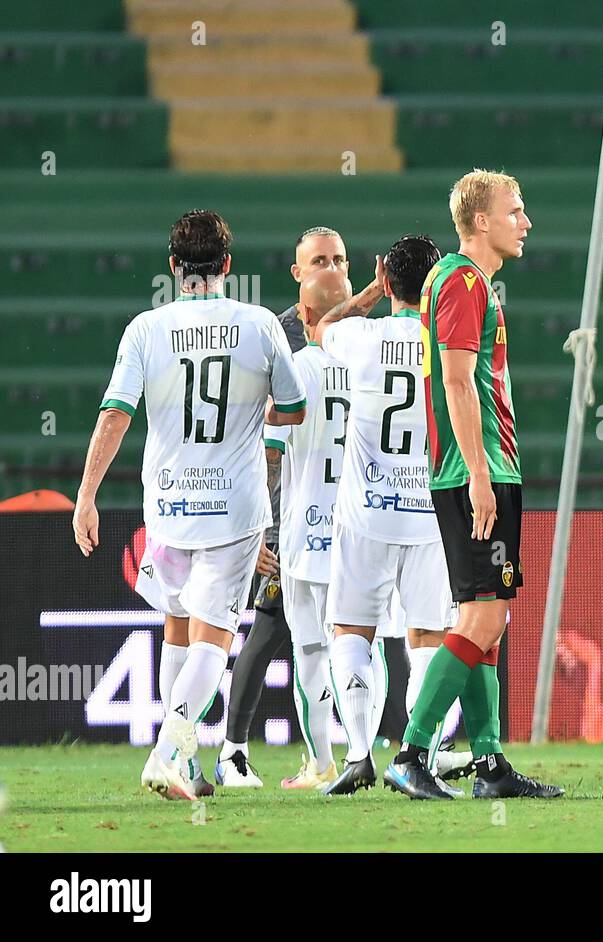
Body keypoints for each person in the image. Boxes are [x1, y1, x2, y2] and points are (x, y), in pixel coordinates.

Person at [74, 209, 305, 801]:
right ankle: (170, 751)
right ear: (227, 265)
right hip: (235, 507)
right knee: (213, 637)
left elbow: (115, 414)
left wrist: (87, 497)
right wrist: (250, 415)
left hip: (169, 508)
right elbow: (295, 409)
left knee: (176, 626)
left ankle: (188, 765)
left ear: (174, 267)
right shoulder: (258, 325)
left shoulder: (146, 329)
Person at [396, 170, 563, 800]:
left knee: (484, 619)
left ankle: (489, 761)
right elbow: (458, 381)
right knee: (485, 615)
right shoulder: (464, 282)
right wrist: (480, 473)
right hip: (478, 471)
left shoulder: (463, 282)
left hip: (480, 469)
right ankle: (413, 751)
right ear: (483, 221)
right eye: (516, 211)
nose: (526, 222)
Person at [312, 235, 465, 797]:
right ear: (433, 284)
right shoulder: (445, 341)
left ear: (386, 278)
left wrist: (369, 292)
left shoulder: (362, 336)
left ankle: (357, 754)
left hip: (365, 512)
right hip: (429, 513)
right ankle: (415, 754)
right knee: (427, 638)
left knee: (351, 630)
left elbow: (320, 328)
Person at [218, 225, 350, 788]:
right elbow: (253, 436)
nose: (330, 268)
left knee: (340, 635)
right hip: (294, 517)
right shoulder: (279, 337)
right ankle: (234, 750)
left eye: (339, 259)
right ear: (297, 273)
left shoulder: (357, 332)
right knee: (273, 625)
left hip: (345, 516)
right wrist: (262, 528)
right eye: (319, 260)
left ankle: (348, 752)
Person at [261, 268, 353, 789]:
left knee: (311, 650)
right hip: (363, 531)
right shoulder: (370, 364)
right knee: (362, 643)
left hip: (303, 533)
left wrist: (262, 526)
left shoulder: (295, 367)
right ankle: (364, 751)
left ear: (306, 316)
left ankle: (321, 763)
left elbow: (271, 455)